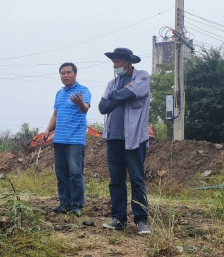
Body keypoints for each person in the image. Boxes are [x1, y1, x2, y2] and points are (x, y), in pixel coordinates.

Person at [98, 47, 151, 235]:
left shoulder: (142, 77)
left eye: (118, 62)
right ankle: (118, 219)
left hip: (135, 138)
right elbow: (102, 107)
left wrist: (118, 95)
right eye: (113, 62)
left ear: (128, 62)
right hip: (113, 137)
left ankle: (142, 220)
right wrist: (120, 94)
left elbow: (125, 95)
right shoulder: (113, 83)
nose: (115, 65)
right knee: (116, 180)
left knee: (137, 179)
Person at [44, 62, 91, 216]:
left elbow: (85, 109)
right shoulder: (59, 93)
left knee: (75, 173)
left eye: (68, 72)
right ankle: (64, 204)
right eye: (62, 73)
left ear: (75, 74)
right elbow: (55, 115)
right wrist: (47, 130)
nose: (65, 75)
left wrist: (79, 103)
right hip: (59, 140)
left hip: (75, 141)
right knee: (61, 174)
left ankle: (77, 205)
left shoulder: (83, 91)